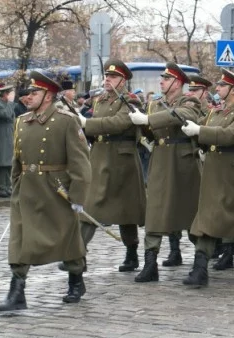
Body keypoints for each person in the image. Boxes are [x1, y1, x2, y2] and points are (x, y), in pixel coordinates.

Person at [0, 71, 91, 311]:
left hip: (55, 190)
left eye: (35, 92)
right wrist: (15, 185)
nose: (29, 97)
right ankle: (17, 292)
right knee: (20, 238)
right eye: (29, 92)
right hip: (26, 190)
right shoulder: (22, 121)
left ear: (48, 96)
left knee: (66, 237)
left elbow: (80, 163)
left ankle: (76, 280)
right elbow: (17, 160)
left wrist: (78, 196)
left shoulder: (66, 120)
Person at [178, 68, 234, 287]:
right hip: (214, 172)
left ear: (233, 90)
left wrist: (199, 132)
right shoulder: (216, 112)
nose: (218, 89)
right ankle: (200, 269)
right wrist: (194, 134)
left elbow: (231, 135)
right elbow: (207, 130)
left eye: (222, 86)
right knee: (207, 218)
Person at [128, 62, 202, 282]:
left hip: (183, 163)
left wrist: (149, 119)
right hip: (160, 160)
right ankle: (150, 263)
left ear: (177, 83)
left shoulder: (190, 101)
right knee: (155, 211)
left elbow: (180, 115)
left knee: (192, 214)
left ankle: (201, 263)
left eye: (166, 79)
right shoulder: (156, 103)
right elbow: (150, 130)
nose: (161, 82)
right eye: (162, 79)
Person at [78, 59, 147, 272]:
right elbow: (97, 126)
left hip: (122, 160)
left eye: (113, 76)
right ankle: (77, 253)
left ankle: (132, 252)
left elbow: (119, 123)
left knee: (127, 211)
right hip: (100, 157)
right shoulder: (100, 100)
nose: (108, 80)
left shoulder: (130, 101)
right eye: (107, 76)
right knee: (91, 205)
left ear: (123, 80)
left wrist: (87, 124)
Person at [0, 84, 15, 197]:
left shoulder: (7, 104)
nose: (12, 96)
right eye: (10, 93)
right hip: (0, 137)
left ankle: (6, 186)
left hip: (8, 136)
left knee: (8, 163)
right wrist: (10, 103)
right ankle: (0, 188)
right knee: (1, 163)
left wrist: (9, 103)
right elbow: (7, 116)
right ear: (5, 94)